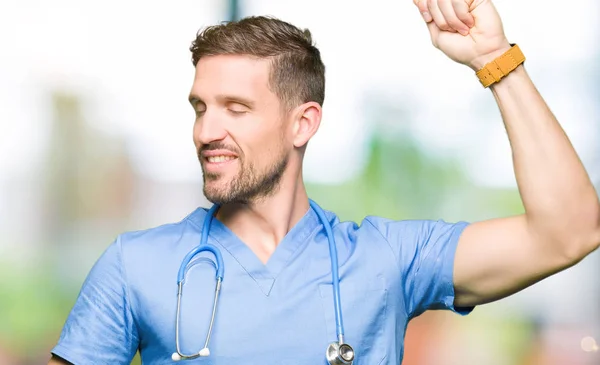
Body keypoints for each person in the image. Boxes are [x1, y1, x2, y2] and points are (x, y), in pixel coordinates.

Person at [49, 0, 600, 364]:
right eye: (200, 107)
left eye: (235, 108)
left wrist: (494, 59)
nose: (205, 130)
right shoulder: (135, 265)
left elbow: (569, 231)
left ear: (303, 123)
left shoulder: (387, 260)